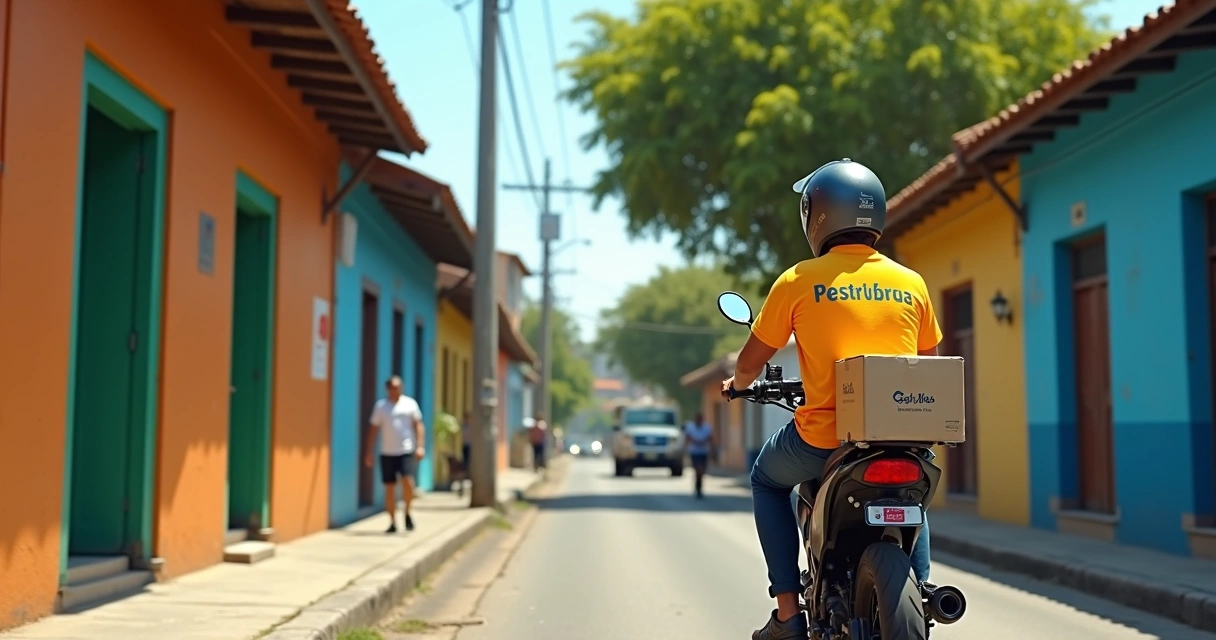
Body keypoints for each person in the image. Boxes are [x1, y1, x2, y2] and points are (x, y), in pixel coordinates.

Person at [722, 159, 941, 640]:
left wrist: (738, 384)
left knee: (764, 479)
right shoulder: (913, 283)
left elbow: (750, 361)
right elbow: (930, 363)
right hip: (900, 434)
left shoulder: (799, 280)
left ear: (816, 215)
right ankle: (919, 589)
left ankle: (787, 613)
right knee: (913, 492)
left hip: (824, 438)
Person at [364, 375, 426, 534]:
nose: (396, 390)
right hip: (387, 452)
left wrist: (420, 446)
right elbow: (373, 429)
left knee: (407, 481)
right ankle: (392, 521)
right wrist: (369, 451)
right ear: (388, 389)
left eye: (399, 387)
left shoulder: (410, 404)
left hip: (405, 450)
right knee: (389, 487)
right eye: (393, 387)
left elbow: (418, 426)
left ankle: (407, 513)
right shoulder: (381, 407)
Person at [684, 412, 714, 498]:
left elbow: (711, 439)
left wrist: (713, 451)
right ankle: (697, 488)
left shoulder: (707, 428)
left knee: (702, 471)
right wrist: (685, 450)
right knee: (697, 470)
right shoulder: (690, 427)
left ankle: (699, 487)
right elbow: (687, 438)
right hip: (694, 452)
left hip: (703, 452)